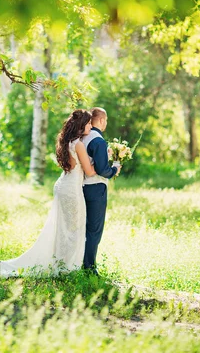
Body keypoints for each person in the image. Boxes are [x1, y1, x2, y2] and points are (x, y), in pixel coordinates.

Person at [0, 109, 97, 278]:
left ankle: (63, 263)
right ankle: (67, 267)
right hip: (72, 190)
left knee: (64, 229)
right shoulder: (78, 144)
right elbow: (89, 171)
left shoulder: (67, 141)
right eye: (88, 123)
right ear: (81, 125)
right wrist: (112, 164)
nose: (90, 126)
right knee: (73, 229)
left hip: (63, 185)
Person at [81, 108, 121, 275]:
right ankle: (89, 268)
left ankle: (80, 262)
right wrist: (114, 169)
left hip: (82, 186)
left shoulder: (83, 137)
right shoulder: (98, 140)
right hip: (96, 188)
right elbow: (102, 169)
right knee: (94, 230)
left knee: (83, 228)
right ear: (102, 120)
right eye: (106, 120)